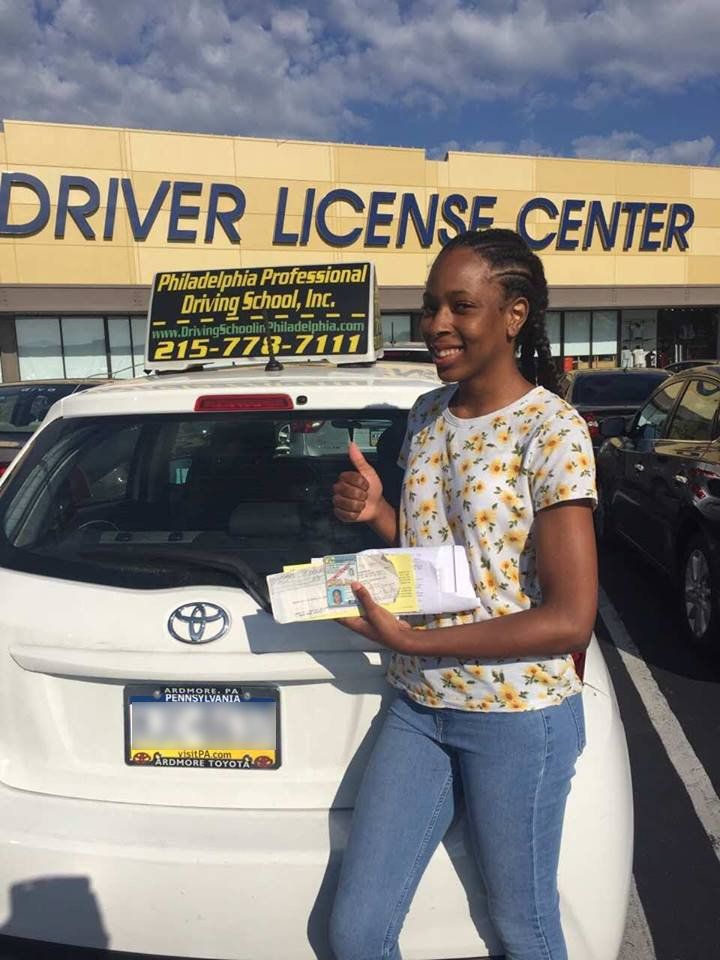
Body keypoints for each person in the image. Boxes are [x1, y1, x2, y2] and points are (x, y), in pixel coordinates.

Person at [328, 228, 597, 960]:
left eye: (460, 306)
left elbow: (570, 619)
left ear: (514, 315)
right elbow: (444, 562)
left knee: (523, 927)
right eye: (429, 307)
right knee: (356, 933)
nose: (437, 324)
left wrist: (411, 639)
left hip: (517, 717)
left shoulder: (551, 429)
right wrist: (378, 514)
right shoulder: (425, 413)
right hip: (419, 704)